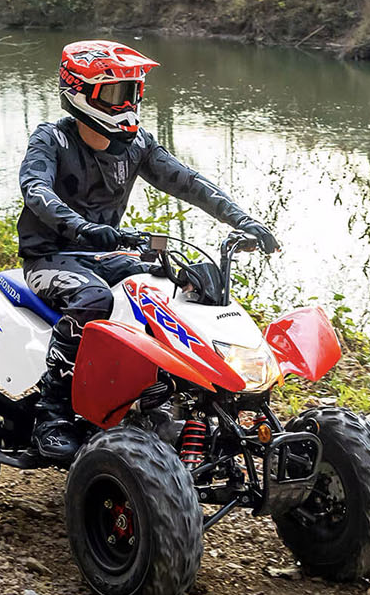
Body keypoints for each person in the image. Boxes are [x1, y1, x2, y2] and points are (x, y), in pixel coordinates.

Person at [17, 39, 280, 459]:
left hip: (110, 255)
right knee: (93, 299)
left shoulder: (138, 145)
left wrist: (244, 220)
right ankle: (52, 414)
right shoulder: (52, 140)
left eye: (132, 93)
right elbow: (36, 191)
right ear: (80, 90)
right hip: (51, 256)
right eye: (116, 93)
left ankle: (166, 400)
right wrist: (83, 228)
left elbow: (190, 182)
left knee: (178, 289)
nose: (126, 104)